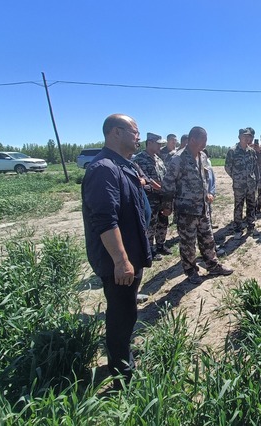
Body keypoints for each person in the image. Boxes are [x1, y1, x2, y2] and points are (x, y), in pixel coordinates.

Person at [81, 114, 152, 387]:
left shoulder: (123, 165)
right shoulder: (104, 169)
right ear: (115, 132)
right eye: (135, 131)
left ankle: (122, 355)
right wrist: (121, 261)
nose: (138, 137)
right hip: (118, 261)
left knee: (126, 309)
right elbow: (105, 220)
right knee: (121, 315)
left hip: (131, 253)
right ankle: (122, 376)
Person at [161, 127, 233, 284]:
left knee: (208, 238)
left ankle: (213, 265)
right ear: (193, 140)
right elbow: (168, 183)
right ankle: (191, 271)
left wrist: (208, 193)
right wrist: (167, 206)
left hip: (202, 207)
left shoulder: (203, 156)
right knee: (188, 243)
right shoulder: (178, 159)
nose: (206, 143)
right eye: (204, 140)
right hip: (186, 210)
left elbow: (205, 178)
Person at [133, 132, 170, 259]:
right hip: (150, 197)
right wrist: (157, 186)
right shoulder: (139, 159)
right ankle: (149, 249)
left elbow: (165, 174)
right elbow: (143, 178)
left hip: (161, 197)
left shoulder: (158, 159)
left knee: (163, 221)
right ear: (149, 143)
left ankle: (161, 245)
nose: (160, 146)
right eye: (158, 144)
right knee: (150, 224)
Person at [225, 127, 260, 239]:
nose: (247, 138)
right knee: (238, 207)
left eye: (248, 136)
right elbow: (227, 167)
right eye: (244, 136)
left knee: (251, 206)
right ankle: (237, 229)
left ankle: (251, 227)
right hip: (239, 185)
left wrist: (253, 179)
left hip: (250, 184)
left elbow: (254, 166)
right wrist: (236, 177)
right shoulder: (233, 151)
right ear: (239, 137)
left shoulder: (251, 151)